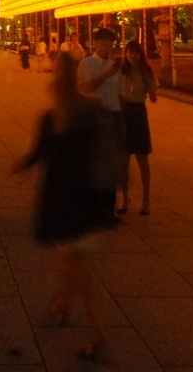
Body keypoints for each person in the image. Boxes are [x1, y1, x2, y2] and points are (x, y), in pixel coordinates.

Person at [12, 53, 118, 363]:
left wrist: (20, 167)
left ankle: (96, 335)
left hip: (72, 201)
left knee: (80, 269)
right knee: (72, 258)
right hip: (79, 200)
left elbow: (40, 153)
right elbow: (42, 152)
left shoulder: (62, 115)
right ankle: (62, 303)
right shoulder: (86, 112)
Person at [78, 28, 125, 205]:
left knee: (112, 163)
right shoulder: (87, 64)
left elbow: (120, 93)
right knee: (93, 161)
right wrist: (106, 75)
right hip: (93, 116)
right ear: (96, 44)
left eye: (110, 44)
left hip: (112, 116)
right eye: (103, 43)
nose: (107, 47)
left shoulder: (115, 66)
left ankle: (109, 206)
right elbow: (85, 88)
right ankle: (91, 203)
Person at [117, 40, 158, 215]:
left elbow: (154, 99)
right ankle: (125, 198)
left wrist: (150, 84)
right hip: (125, 113)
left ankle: (146, 199)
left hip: (139, 113)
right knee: (123, 160)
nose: (132, 56)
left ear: (141, 54)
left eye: (136, 52)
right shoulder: (121, 71)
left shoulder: (146, 71)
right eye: (129, 52)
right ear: (125, 54)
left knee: (142, 159)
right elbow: (116, 93)